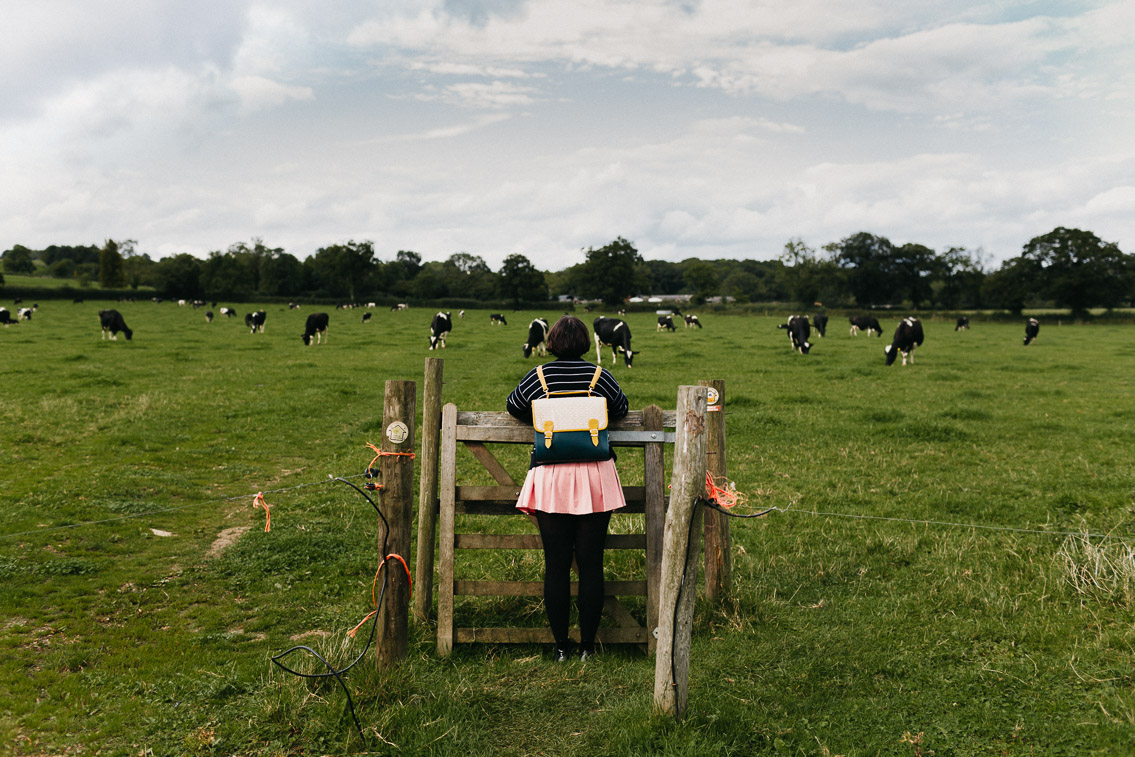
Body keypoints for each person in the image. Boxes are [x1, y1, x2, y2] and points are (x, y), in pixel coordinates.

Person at [506, 316, 629, 661]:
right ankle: (588, 647)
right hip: (595, 474)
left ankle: (561, 647)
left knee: (556, 565)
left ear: (553, 341)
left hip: (551, 475)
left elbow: (513, 406)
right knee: (592, 564)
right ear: (586, 343)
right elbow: (621, 409)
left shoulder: (539, 376)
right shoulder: (599, 376)